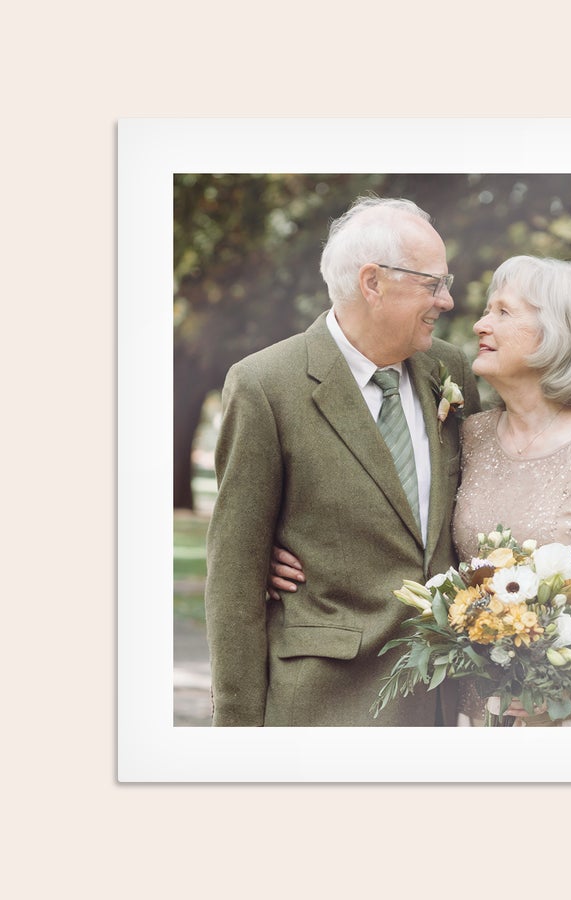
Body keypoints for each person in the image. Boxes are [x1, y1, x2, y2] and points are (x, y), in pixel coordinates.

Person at [270, 254, 571, 726]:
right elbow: (396, 515)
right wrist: (284, 547)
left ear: (557, 332)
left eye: (503, 312)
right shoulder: (467, 435)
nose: (478, 324)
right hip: (477, 717)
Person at [204, 196, 480, 726]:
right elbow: (234, 573)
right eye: (433, 283)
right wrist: (236, 736)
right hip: (324, 703)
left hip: (442, 700)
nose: (446, 300)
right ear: (372, 282)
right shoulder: (265, 384)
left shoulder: (449, 369)